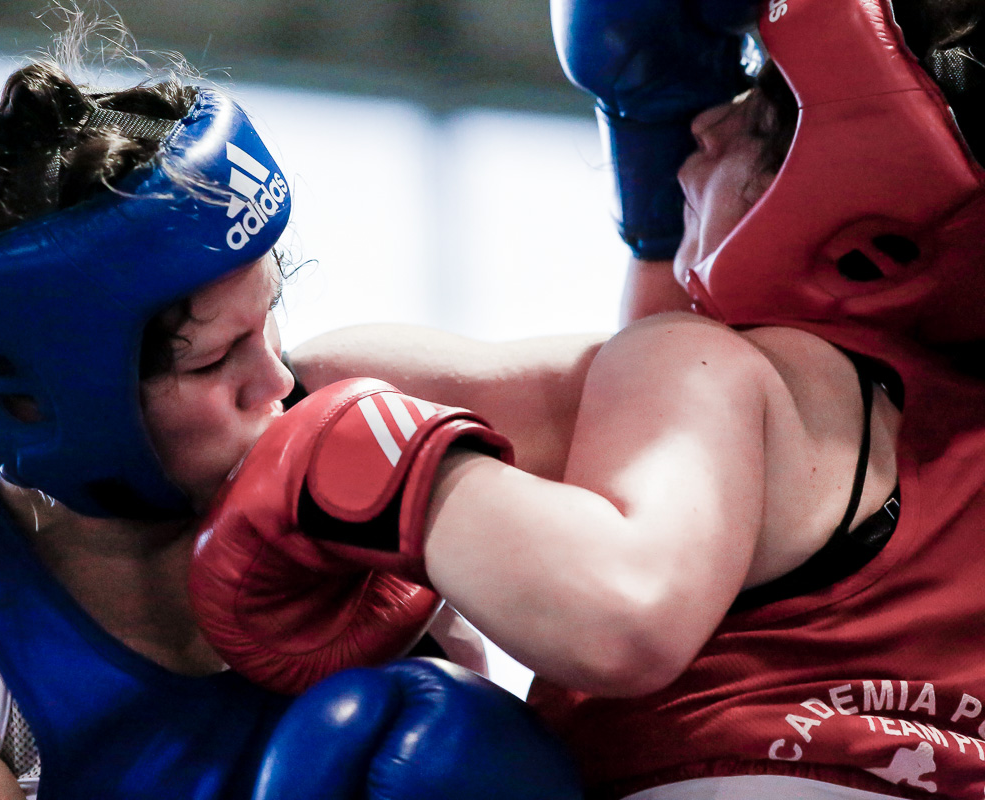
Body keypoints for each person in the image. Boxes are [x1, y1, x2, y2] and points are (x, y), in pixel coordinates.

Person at [188, 0, 985, 797]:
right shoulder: (942, 434)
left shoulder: (714, 367)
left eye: (761, 114)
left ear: (851, 183)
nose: (706, 126)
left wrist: (373, 462)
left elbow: (624, 614)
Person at [0, 33, 585, 800]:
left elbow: (680, 382)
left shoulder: (357, 404)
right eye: (212, 359)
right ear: (41, 401)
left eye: (268, 315)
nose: (274, 379)